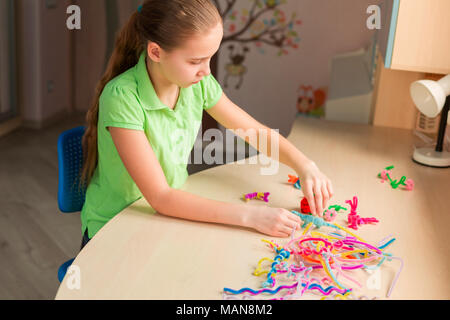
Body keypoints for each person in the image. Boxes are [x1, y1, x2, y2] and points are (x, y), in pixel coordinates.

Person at [79, 0, 333, 251]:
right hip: (116, 226)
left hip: (167, 214)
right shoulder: (121, 97)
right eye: (195, 61)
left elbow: (255, 132)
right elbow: (160, 197)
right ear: (156, 52)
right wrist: (252, 216)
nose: (206, 72)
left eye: (210, 58)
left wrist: (305, 165)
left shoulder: (198, 83)